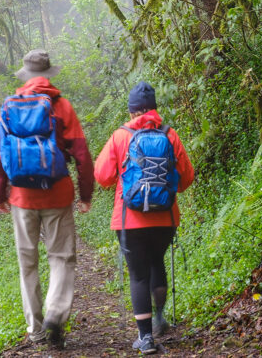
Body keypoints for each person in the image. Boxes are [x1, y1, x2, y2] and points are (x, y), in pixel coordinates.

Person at [0, 49, 94, 349]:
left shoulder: (9, 107)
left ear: (25, 75)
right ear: (48, 75)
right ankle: (56, 315)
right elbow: (82, 156)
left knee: (28, 263)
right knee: (61, 258)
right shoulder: (61, 106)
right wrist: (85, 194)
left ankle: (35, 330)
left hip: (21, 198)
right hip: (58, 194)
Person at [94, 82, 194, 355]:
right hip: (165, 218)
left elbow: (102, 176)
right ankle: (160, 317)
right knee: (156, 263)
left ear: (131, 111)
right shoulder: (169, 135)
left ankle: (146, 338)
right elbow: (186, 178)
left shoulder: (120, 136)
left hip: (129, 219)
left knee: (138, 275)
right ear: (154, 110)